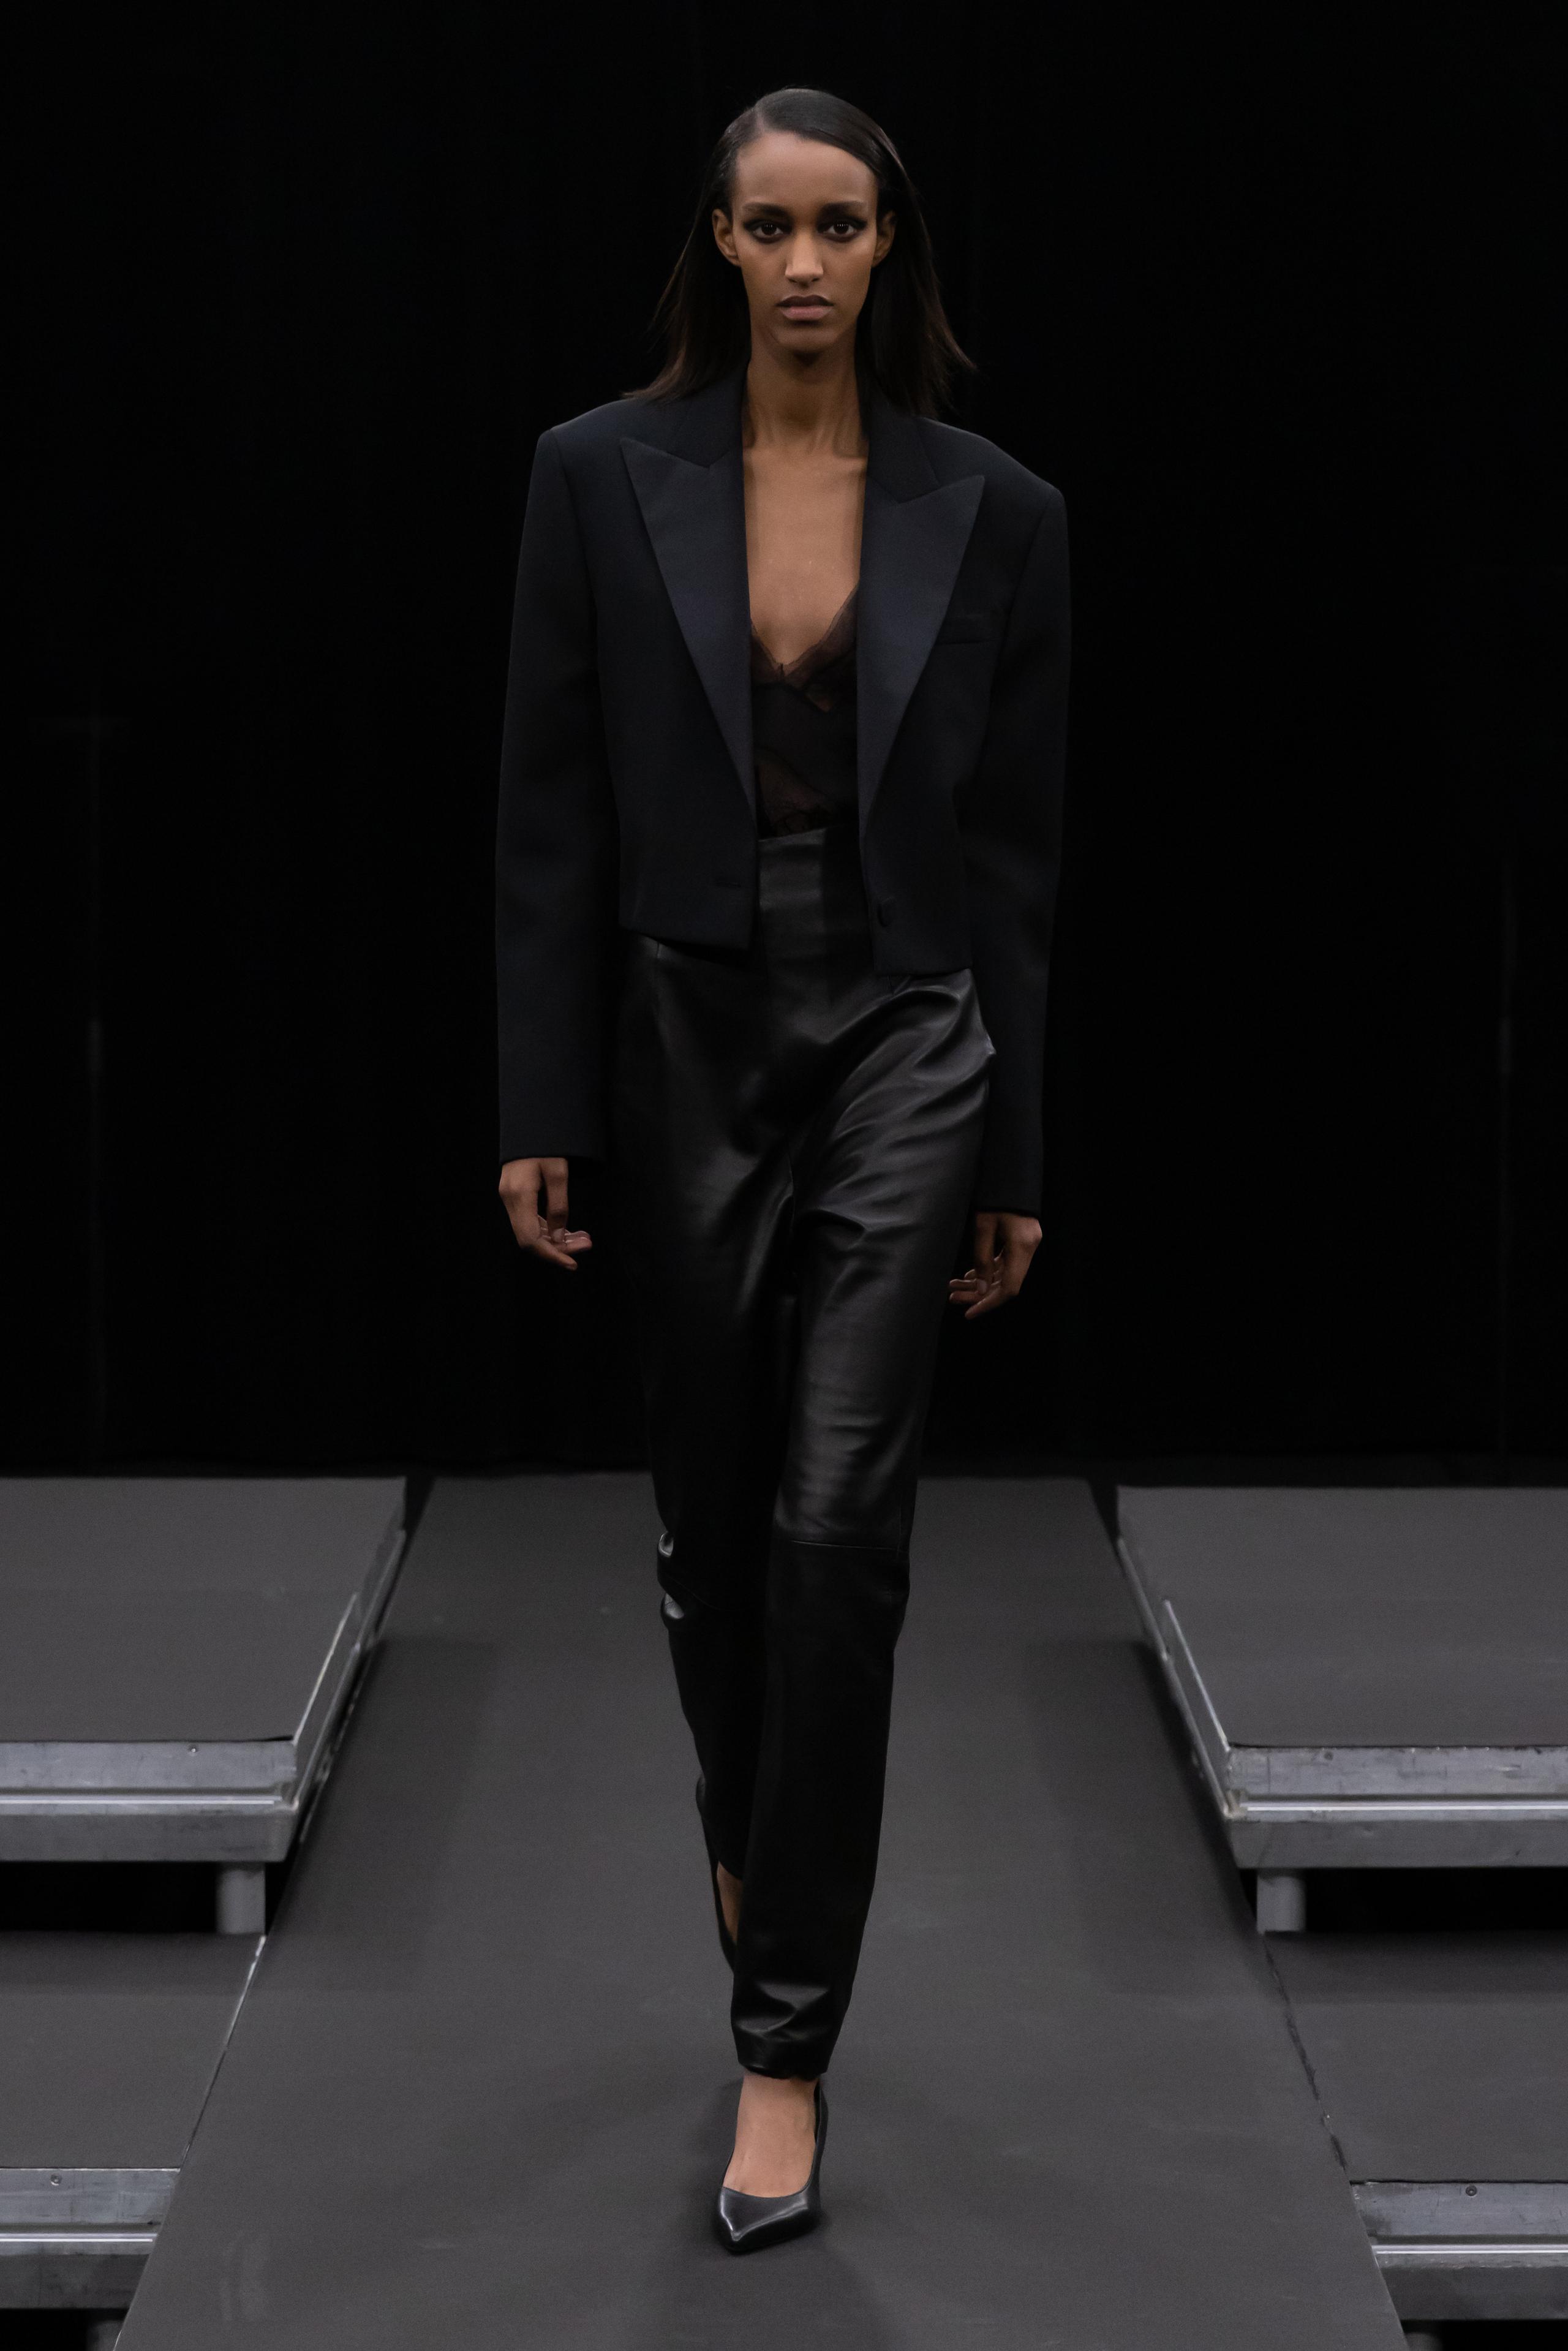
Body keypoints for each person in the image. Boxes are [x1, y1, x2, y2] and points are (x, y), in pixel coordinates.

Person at [496, 86, 1068, 2251]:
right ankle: (759, 1838)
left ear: (890, 241)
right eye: (771, 227)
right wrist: (539, 1099)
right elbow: (547, 808)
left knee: (842, 1529)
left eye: (842, 224)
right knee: (713, 1524)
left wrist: (1016, 1138)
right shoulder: (596, 476)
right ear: (720, 248)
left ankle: (783, 2045)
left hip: (910, 1025)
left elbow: (1016, 864)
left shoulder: (999, 510)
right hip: (685, 1026)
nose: (808, 261)